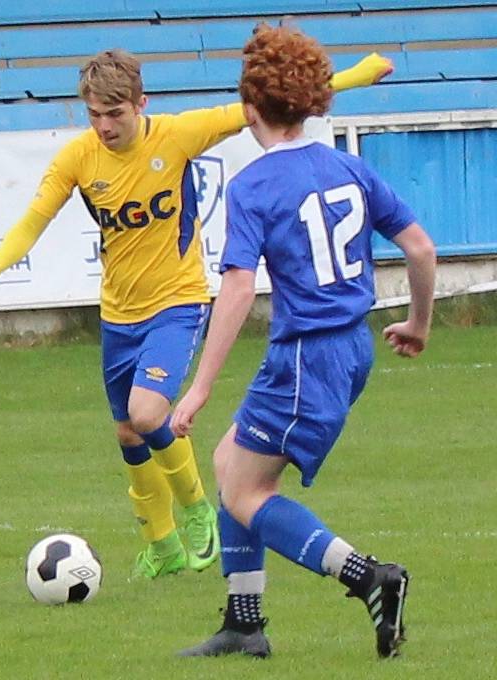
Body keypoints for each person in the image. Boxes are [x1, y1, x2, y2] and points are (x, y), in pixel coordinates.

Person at [0, 46, 396, 580]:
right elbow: (35, 218)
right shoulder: (78, 158)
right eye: (95, 114)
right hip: (117, 312)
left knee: (149, 416)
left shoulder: (178, 135)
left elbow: (273, 99)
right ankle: (161, 544)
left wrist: (358, 74)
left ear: (141, 104)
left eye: (115, 114)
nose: (104, 126)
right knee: (127, 432)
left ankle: (196, 511)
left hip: (178, 301)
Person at [170, 23, 436, 658]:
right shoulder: (348, 167)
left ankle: (369, 576)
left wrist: (198, 388)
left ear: (249, 107)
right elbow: (421, 249)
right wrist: (420, 325)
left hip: (303, 358)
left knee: (245, 490)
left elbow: (236, 292)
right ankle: (244, 622)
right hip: (351, 349)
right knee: (232, 458)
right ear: (319, 101)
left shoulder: (254, 185)